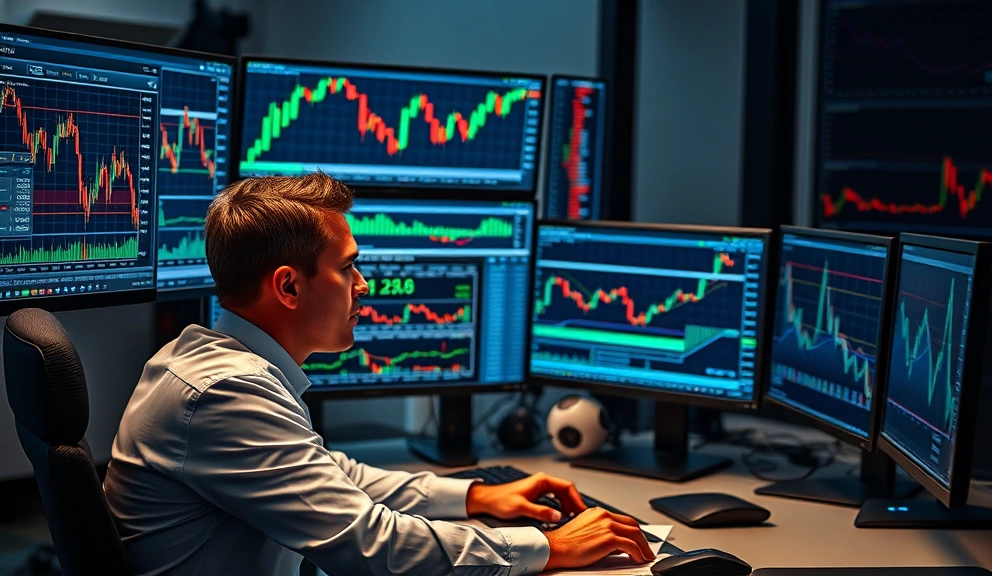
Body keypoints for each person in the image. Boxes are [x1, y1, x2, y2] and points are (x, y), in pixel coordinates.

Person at [103, 172, 654, 576]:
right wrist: (549, 547)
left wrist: (478, 497)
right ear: (289, 287)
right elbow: (370, 545)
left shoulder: (212, 361)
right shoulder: (224, 392)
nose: (364, 284)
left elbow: (329, 476)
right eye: (347, 267)